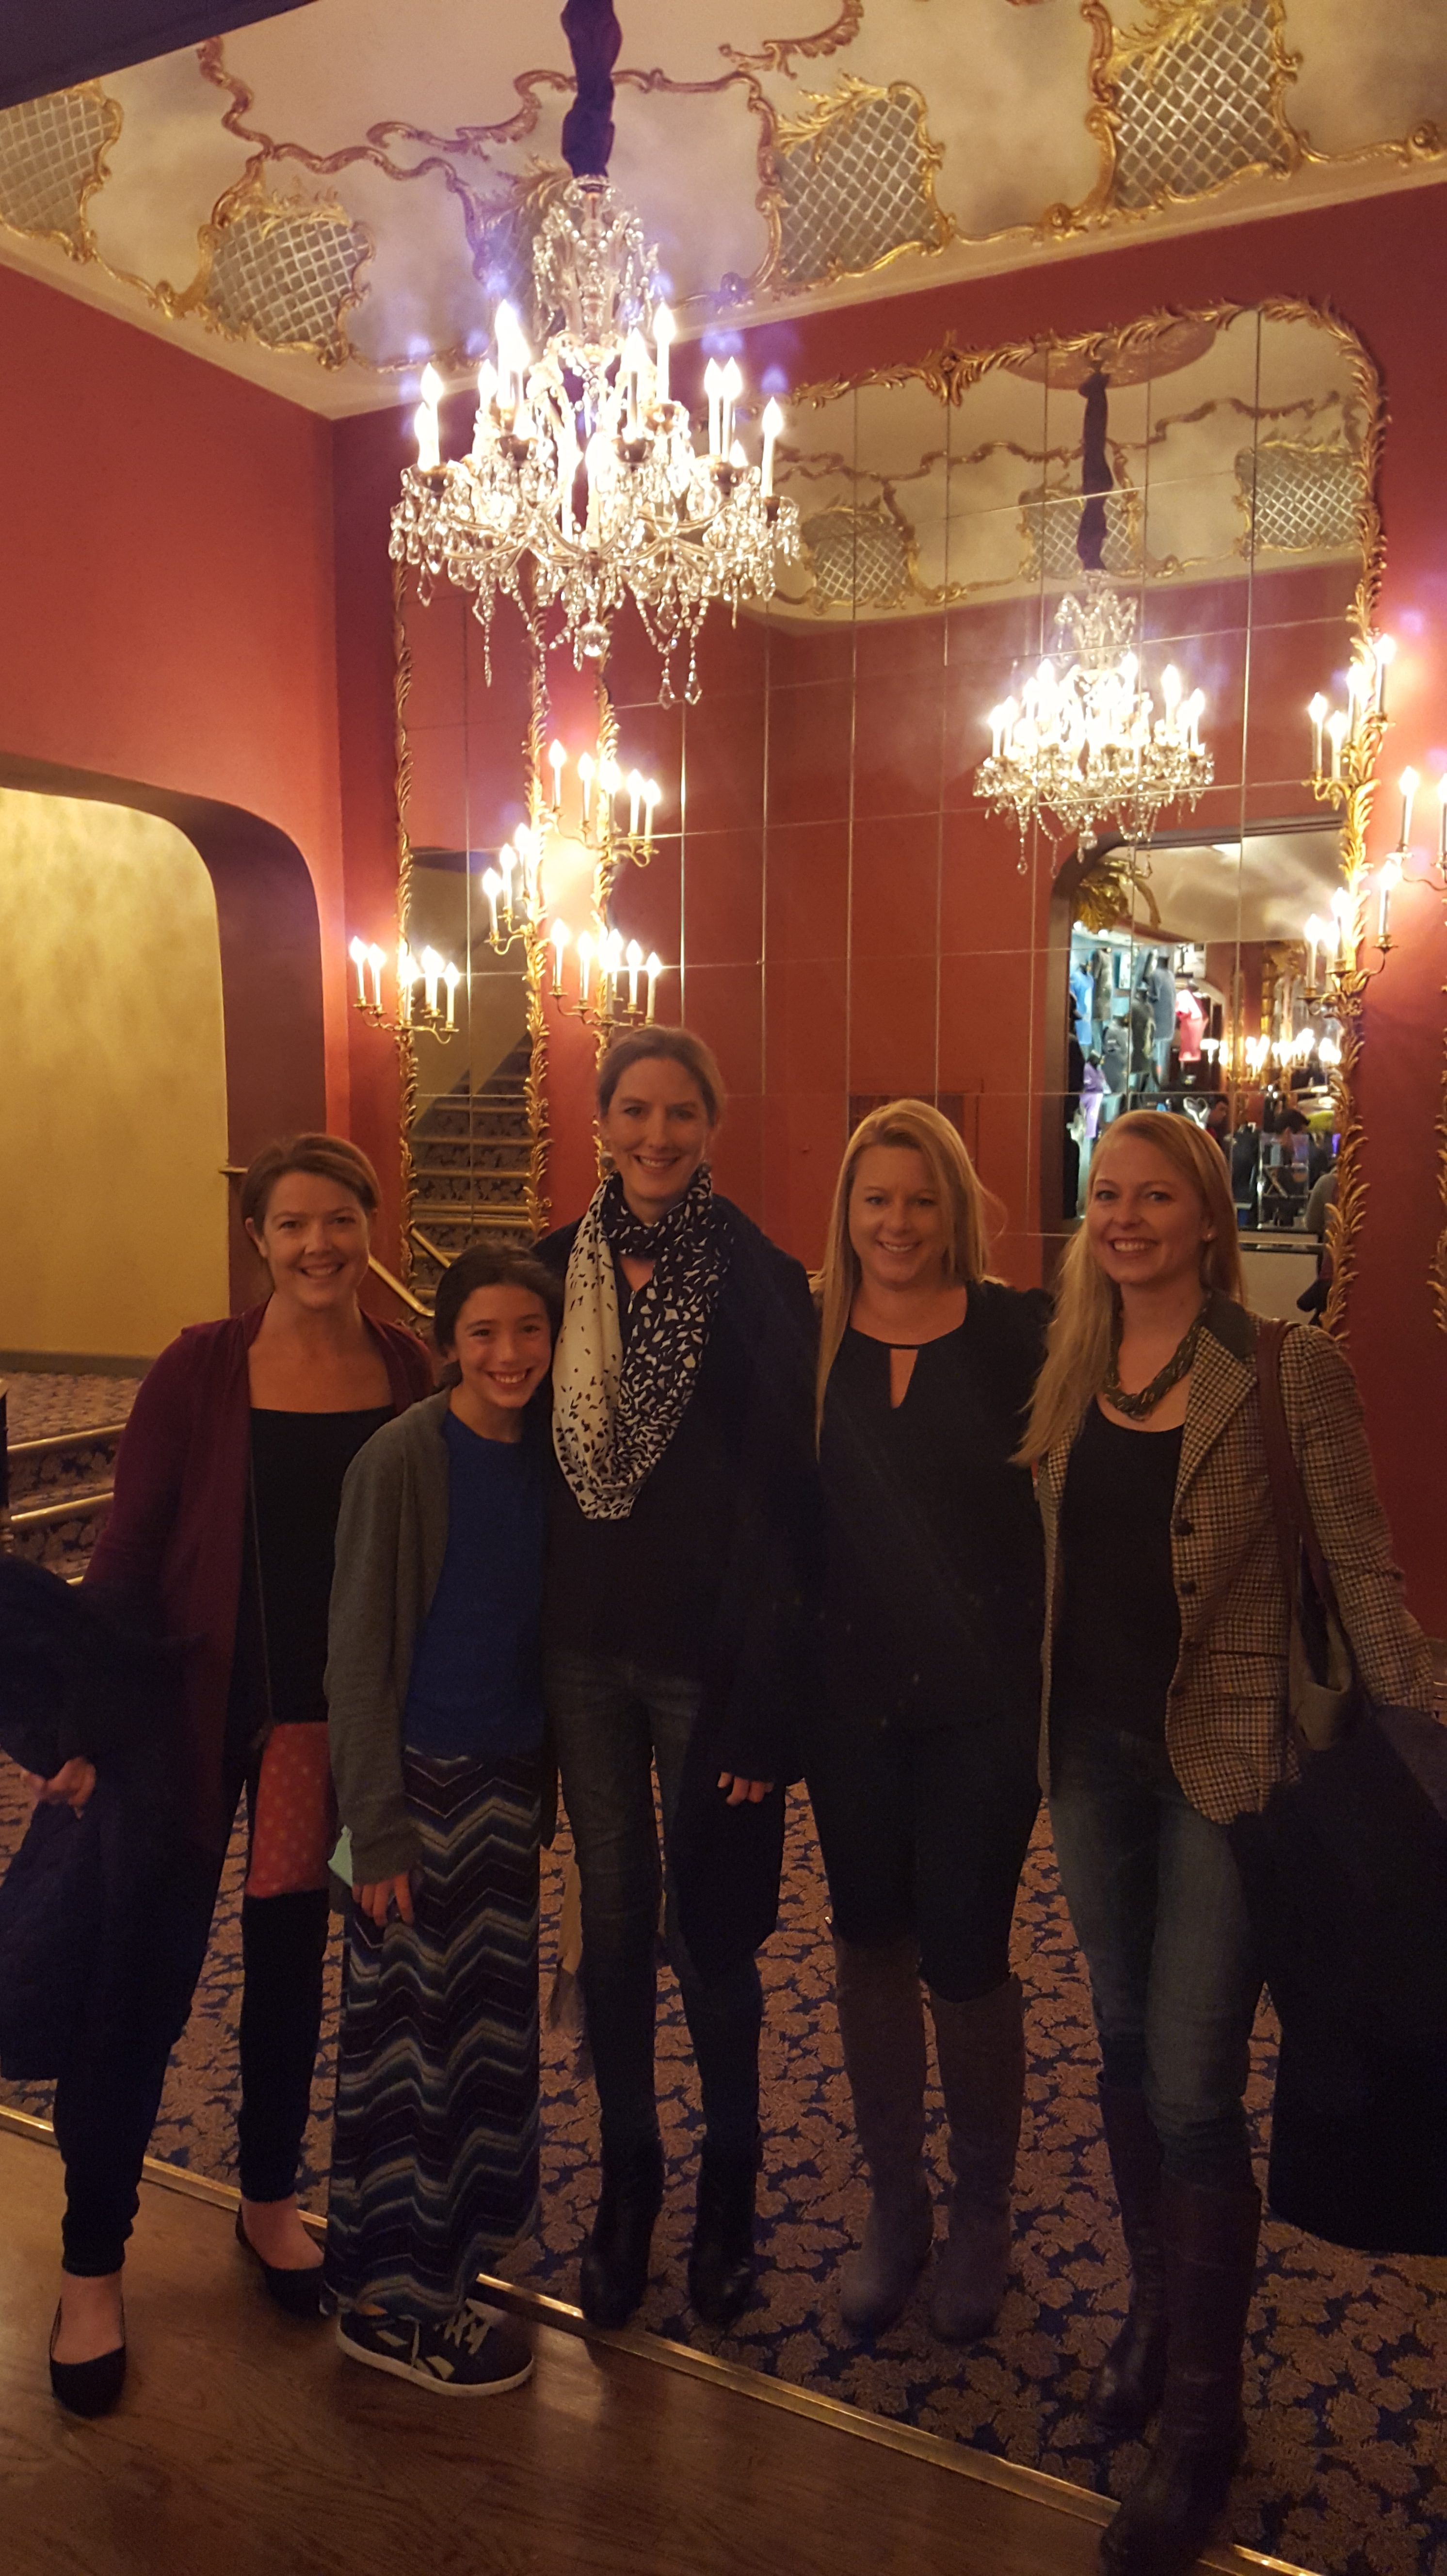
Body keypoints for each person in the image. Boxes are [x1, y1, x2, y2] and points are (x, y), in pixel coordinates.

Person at [1019, 1109, 1434, 2576]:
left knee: (1193, 2080)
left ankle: (1204, 2421)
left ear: (1208, 1219)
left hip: (1230, 1761)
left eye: (1155, 1198)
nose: (1125, 1219)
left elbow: (1362, 1566)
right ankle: (1155, 2303)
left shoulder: (1282, 1366)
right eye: (1106, 1197)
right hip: (1087, 1756)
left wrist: (1429, 1735)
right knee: (1124, 2040)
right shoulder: (1070, 1356)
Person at [34, 1136, 432, 2418]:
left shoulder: (406, 1369)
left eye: (339, 1220)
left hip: (326, 1736)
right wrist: (86, 1725)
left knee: (287, 1981)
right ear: (257, 1238)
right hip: (180, 1727)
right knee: (137, 1988)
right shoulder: (201, 1369)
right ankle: (91, 2266)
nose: (318, 1244)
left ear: (370, 1226)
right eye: (292, 1224)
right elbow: (126, 1551)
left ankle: (268, 2201)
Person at [539, 1027, 816, 2330]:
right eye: (635, 1112)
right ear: (601, 1122)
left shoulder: (760, 1279)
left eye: (680, 1115)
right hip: (581, 1653)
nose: (656, 1136)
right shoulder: (552, 1271)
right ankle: (629, 2178)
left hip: (708, 1665)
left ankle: (729, 2186)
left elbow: (788, 1504)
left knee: (712, 1933)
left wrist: (768, 1706)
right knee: (610, 1923)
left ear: (712, 1126)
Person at [807, 1103, 1046, 2342]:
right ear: (846, 1212)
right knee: (867, 1941)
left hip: (984, 1712)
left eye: (919, 1199)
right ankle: (895, 2206)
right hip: (848, 1709)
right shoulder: (811, 1336)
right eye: (875, 1200)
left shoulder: (1017, 1331)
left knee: (965, 1952)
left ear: (954, 1208)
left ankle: (983, 2213)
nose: (896, 1222)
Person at [323, 1246, 558, 2397]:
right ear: (447, 1342)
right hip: (414, 1796)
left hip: (506, 1791)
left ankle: (449, 2268)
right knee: (408, 2056)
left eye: (528, 1330)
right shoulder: (402, 1457)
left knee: (479, 2047)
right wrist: (373, 1831)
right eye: (482, 1333)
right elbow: (355, 1655)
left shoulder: (553, 1451)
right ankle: (391, 2310)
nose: (507, 1354)